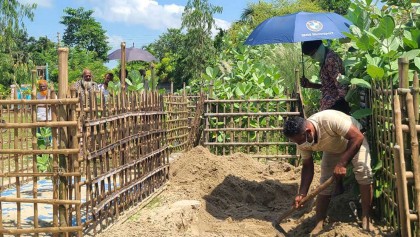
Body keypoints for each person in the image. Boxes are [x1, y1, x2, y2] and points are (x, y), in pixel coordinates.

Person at [283, 110, 372, 235]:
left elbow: (357, 137)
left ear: (308, 132)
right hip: (332, 149)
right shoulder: (301, 141)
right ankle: (319, 223)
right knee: (325, 183)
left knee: (363, 172)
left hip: (354, 141)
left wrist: (341, 164)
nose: (299, 145)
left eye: (300, 141)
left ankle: (366, 217)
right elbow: (308, 166)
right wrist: (302, 193)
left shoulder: (329, 120)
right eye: (296, 142)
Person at [300, 40, 351, 115]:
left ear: (318, 49)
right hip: (330, 105)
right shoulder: (326, 59)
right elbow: (329, 86)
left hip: (334, 107)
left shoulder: (330, 60)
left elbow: (340, 84)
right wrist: (310, 85)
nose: (313, 57)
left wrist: (341, 106)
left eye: (313, 54)